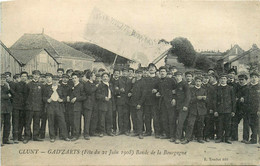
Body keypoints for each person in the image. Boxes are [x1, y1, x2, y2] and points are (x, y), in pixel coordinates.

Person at [43, 75, 70, 142]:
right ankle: (52, 136)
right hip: (51, 105)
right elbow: (43, 97)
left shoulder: (61, 88)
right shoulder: (48, 88)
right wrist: (47, 100)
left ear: (59, 81)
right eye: (54, 80)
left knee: (62, 121)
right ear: (52, 80)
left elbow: (65, 97)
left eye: (57, 80)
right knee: (51, 121)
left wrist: (62, 100)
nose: (55, 81)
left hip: (59, 106)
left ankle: (65, 136)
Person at [182, 76, 207, 144]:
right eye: (197, 81)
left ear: (201, 82)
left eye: (199, 81)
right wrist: (197, 98)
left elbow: (208, 100)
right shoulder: (191, 89)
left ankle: (200, 138)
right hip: (193, 110)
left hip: (201, 110)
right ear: (194, 82)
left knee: (200, 125)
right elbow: (189, 99)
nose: (198, 83)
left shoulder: (204, 90)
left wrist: (205, 98)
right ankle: (187, 138)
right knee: (190, 124)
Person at [157, 66, 177, 141]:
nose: (162, 73)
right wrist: (156, 93)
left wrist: (174, 99)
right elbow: (157, 90)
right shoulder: (159, 81)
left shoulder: (171, 80)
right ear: (159, 73)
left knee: (171, 119)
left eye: (163, 71)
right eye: (161, 71)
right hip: (162, 103)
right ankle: (167, 134)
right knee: (164, 119)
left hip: (170, 102)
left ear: (166, 72)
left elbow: (176, 90)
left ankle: (173, 136)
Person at [23, 70, 44, 144]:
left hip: (38, 107)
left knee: (37, 122)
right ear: (32, 75)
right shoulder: (28, 85)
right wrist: (27, 105)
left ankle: (36, 136)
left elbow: (42, 96)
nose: (36, 76)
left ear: (39, 76)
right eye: (35, 74)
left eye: (38, 75)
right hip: (29, 107)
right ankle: (27, 136)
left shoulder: (41, 85)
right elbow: (25, 96)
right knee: (28, 122)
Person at [214, 74, 235, 144]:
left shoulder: (230, 88)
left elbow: (233, 100)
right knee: (220, 124)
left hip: (228, 109)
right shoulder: (217, 88)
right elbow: (215, 100)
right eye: (221, 78)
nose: (223, 80)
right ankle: (219, 137)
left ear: (226, 80)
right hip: (219, 110)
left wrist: (233, 110)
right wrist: (215, 110)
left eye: (224, 79)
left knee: (228, 125)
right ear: (219, 80)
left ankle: (227, 138)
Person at [143, 63, 160, 138]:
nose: (151, 69)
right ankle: (148, 131)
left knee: (156, 117)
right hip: (146, 101)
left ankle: (157, 132)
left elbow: (161, 89)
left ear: (156, 70)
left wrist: (157, 90)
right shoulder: (145, 79)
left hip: (155, 101)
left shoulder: (158, 79)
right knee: (147, 117)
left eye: (153, 67)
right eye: (150, 67)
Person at [231, 74, 249, 143]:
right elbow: (234, 97)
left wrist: (243, 99)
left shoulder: (248, 88)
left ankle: (245, 138)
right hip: (237, 108)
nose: (241, 81)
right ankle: (234, 137)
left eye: (242, 80)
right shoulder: (236, 87)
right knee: (234, 122)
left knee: (246, 124)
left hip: (245, 108)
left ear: (246, 80)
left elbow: (248, 98)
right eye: (240, 80)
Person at [68, 72, 86, 141]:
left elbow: (84, 96)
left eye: (75, 78)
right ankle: (73, 134)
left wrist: (76, 98)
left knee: (76, 121)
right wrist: (68, 96)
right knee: (72, 121)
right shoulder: (71, 86)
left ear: (78, 78)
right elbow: (69, 94)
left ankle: (76, 134)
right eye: (73, 78)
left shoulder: (81, 86)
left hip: (78, 106)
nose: (74, 79)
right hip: (71, 106)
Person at [11, 72, 28, 143]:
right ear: (20, 77)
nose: (24, 77)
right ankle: (15, 137)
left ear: (27, 78)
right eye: (23, 76)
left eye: (25, 76)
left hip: (23, 107)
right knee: (15, 121)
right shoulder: (16, 85)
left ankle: (20, 136)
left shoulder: (27, 86)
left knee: (21, 122)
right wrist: (16, 97)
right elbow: (11, 92)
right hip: (16, 106)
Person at [174, 71, 191, 144]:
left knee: (180, 122)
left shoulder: (185, 84)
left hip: (183, 106)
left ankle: (178, 138)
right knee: (179, 122)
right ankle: (181, 136)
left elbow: (188, 96)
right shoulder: (176, 84)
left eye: (179, 76)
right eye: (176, 76)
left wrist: (186, 105)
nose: (178, 77)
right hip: (177, 106)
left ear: (182, 76)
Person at [96, 72, 114, 137]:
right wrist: (104, 97)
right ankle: (102, 131)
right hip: (102, 103)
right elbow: (97, 95)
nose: (105, 78)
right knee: (102, 118)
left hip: (109, 103)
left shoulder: (110, 85)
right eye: (104, 77)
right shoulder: (100, 85)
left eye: (106, 77)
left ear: (109, 78)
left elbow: (113, 94)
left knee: (109, 117)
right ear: (102, 78)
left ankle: (109, 131)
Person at [128, 69, 145, 139]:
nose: (138, 74)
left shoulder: (143, 82)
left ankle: (140, 133)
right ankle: (135, 131)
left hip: (139, 103)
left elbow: (144, 94)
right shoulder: (133, 82)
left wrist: (140, 103)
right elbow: (132, 90)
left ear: (142, 74)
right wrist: (130, 93)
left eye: (140, 73)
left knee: (139, 118)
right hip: (132, 103)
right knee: (133, 118)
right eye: (137, 73)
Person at [115, 68, 131, 136]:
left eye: (126, 72)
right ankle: (121, 130)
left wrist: (130, 92)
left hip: (127, 101)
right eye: (123, 72)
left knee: (126, 115)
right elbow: (115, 88)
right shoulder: (118, 80)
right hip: (120, 100)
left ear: (128, 73)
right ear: (121, 73)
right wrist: (119, 90)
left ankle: (126, 130)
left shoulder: (130, 81)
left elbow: (133, 88)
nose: (124, 73)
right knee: (120, 115)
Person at [83, 71, 98, 140]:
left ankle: (92, 132)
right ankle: (86, 134)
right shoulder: (86, 84)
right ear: (91, 76)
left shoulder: (94, 83)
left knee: (94, 118)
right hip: (88, 104)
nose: (95, 77)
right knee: (87, 119)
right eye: (94, 75)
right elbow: (89, 91)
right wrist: (96, 87)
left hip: (94, 104)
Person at [204, 73, 218, 141]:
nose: (206, 79)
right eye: (205, 78)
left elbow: (213, 99)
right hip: (201, 106)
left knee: (209, 122)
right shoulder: (201, 86)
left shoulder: (211, 88)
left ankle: (209, 136)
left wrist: (212, 108)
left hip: (209, 107)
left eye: (208, 78)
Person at [246, 71, 259, 144]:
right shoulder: (248, 87)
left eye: (255, 77)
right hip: (250, 109)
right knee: (252, 124)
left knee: (258, 125)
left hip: (257, 110)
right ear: (250, 78)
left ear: (258, 78)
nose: (254, 79)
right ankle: (253, 139)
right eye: (252, 77)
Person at [1, 74, 13, 144]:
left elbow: (12, 94)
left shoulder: (6, 86)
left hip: (7, 108)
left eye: (4, 79)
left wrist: (9, 88)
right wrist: (7, 96)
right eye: (1, 79)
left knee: (7, 124)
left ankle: (6, 139)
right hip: (1, 109)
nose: (2, 81)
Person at [60, 74, 73, 138]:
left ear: (68, 79)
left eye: (66, 78)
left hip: (68, 105)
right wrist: (65, 99)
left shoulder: (70, 87)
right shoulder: (59, 86)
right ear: (62, 78)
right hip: (61, 105)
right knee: (61, 120)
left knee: (68, 120)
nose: (65, 79)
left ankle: (67, 133)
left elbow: (71, 95)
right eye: (63, 78)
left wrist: (68, 97)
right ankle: (61, 134)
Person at [110, 69, 120, 133]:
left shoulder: (121, 80)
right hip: (113, 99)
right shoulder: (111, 81)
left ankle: (121, 128)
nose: (116, 74)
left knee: (120, 115)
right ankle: (114, 128)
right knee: (113, 114)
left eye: (117, 73)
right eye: (115, 73)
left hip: (119, 99)